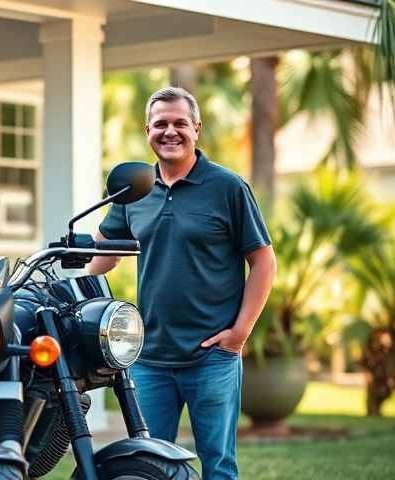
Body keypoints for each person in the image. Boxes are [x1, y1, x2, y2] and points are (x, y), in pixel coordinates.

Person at [88, 86, 276, 479]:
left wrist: (239, 334)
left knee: (218, 464)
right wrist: (69, 267)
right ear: (147, 130)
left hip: (212, 356)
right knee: (148, 464)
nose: (169, 132)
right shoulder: (134, 191)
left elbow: (263, 261)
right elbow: (104, 256)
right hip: (150, 358)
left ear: (197, 129)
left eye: (179, 123)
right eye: (160, 124)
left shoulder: (227, 187)